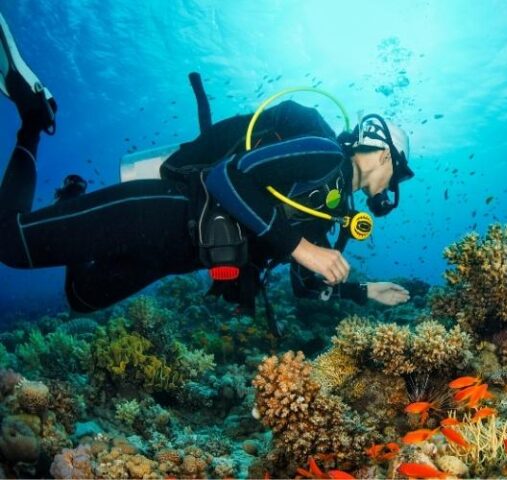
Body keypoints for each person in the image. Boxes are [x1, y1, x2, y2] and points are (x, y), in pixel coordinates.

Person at [0, 13, 411, 328]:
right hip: (166, 212)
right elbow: (227, 177)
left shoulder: (331, 211)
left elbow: (305, 286)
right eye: (398, 173)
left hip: (174, 256)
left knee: (81, 297)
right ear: (384, 156)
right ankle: (33, 120)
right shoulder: (324, 153)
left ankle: (69, 197)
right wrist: (303, 249)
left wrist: (362, 291)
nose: (393, 186)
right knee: (10, 244)